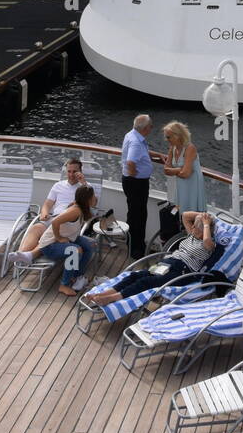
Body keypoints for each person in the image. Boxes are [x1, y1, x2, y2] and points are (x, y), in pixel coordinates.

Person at [85, 211, 221, 305]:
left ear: (204, 230)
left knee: (146, 282)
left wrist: (206, 224)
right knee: (134, 276)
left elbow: (207, 240)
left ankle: (112, 298)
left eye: (196, 227)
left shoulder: (208, 244)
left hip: (182, 272)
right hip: (168, 263)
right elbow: (185, 215)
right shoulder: (192, 234)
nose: (192, 227)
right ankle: (104, 294)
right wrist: (204, 217)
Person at [8, 185, 97, 296]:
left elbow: (94, 201)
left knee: (88, 246)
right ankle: (64, 285)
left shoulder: (82, 208)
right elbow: (55, 222)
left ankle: (76, 276)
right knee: (75, 251)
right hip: (50, 245)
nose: (95, 197)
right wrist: (59, 238)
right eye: (93, 196)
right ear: (87, 199)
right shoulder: (75, 211)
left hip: (69, 237)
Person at [16, 157, 85, 252]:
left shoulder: (85, 187)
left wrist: (84, 183)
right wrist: (44, 213)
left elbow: (93, 203)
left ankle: (28, 255)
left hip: (70, 222)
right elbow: (48, 203)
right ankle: (21, 255)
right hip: (54, 218)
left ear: (80, 172)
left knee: (49, 235)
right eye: (69, 171)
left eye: (75, 171)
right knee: (35, 228)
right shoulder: (58, 186)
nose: (71, 174)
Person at [121, 114, 153, 258]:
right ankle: (136, 249)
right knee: (138, 216)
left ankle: (132, 243)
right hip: (136, 183)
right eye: (151, 126)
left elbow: (141, 155)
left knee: (134, 214)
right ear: (145, 128)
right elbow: (130, 162)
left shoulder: (132, 134)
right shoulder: (136, 142)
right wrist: (135, 176)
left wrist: (156, 156)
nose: (152, 129)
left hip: (131, 182)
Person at [162, 121, 206, 216]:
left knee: (193, 214)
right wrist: (179, 169)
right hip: (181, 186)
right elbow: (165, 170)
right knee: (181, 212)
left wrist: (176, 170)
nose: (166, 139)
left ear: (177, 136)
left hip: (192, 186)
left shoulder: (190, 148)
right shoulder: (172, 148)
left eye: (168, 137)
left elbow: (186, 174)